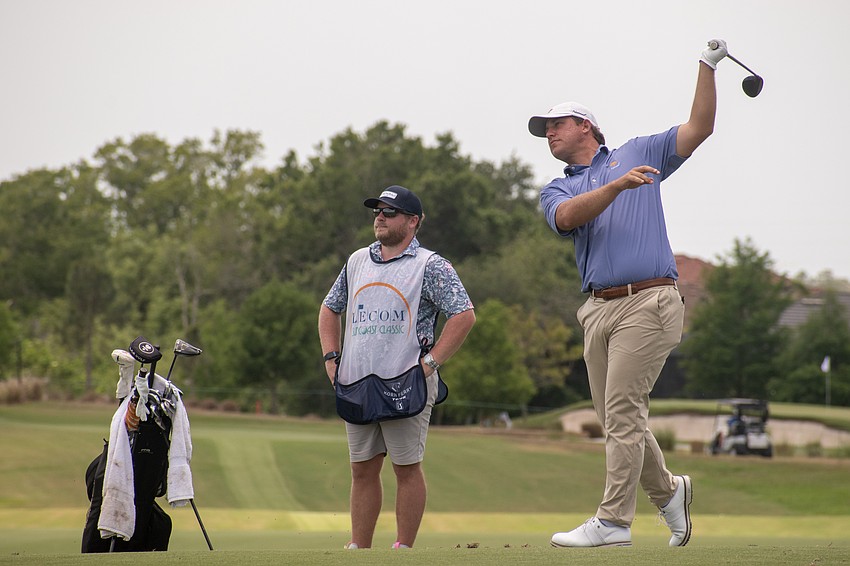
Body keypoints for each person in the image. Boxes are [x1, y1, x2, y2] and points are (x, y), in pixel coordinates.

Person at [527, 39, 729, 548]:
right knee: (618, 417)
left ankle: (614, 521)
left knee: (621, 411)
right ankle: (670, 493)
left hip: (650, 300)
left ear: (586, 126)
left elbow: (700, 127)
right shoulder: (557, 188)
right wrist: (616, 188)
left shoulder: (638, 151)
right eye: (545, 128)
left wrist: (706, 66)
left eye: (557, 124)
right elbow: (566, 218)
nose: (549, 133)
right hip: (597, 309)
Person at [318, 185, 476, 549]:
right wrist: (330, 358)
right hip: (357, 380)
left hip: (408, 381)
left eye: (389, 212)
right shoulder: (357, 260)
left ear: (413, 221)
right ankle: (360, 548)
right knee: (361, 468)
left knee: (406, 468)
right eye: (377, 211)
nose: (380, 217)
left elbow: (463, 315)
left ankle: (403, 549)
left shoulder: (431, 265)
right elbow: (329, 308)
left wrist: (430, 364)